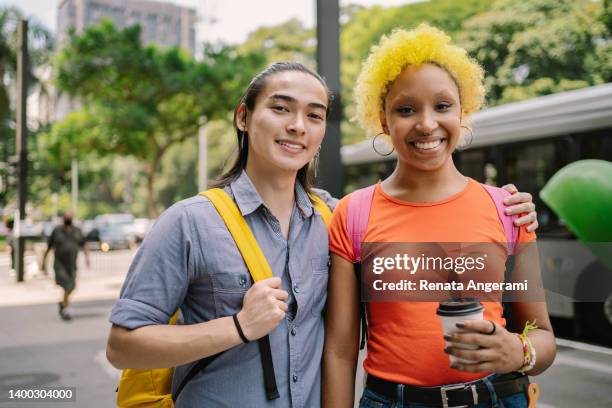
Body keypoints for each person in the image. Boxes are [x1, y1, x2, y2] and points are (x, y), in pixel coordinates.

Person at [106, 62, 538, 407]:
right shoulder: (189, 222)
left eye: (314, 116)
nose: (298, 125)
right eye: (280, 108)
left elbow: (412, 217)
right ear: (244, 116)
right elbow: (123, 347)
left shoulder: (337, 217)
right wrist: (237, 327)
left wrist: (509, 207)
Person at [323, 25, 556, 408]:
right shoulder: (354, 213)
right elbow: (340, 351)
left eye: (442, 106)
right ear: (383, 120)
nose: (427, 124)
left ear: (462, 111)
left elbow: (543, 336)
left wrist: (519, 351)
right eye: (406, 109)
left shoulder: (508, 210)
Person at [42, 210, 90, 321]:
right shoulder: (57, 231)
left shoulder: (77, 231)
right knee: (67, 285)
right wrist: (43, 265)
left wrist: (87, 259)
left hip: (72, 264)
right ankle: (66, 310)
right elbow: (48, 248)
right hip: (60, 265)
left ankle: (63, 303)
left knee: (72, 286)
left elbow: (83, 244)